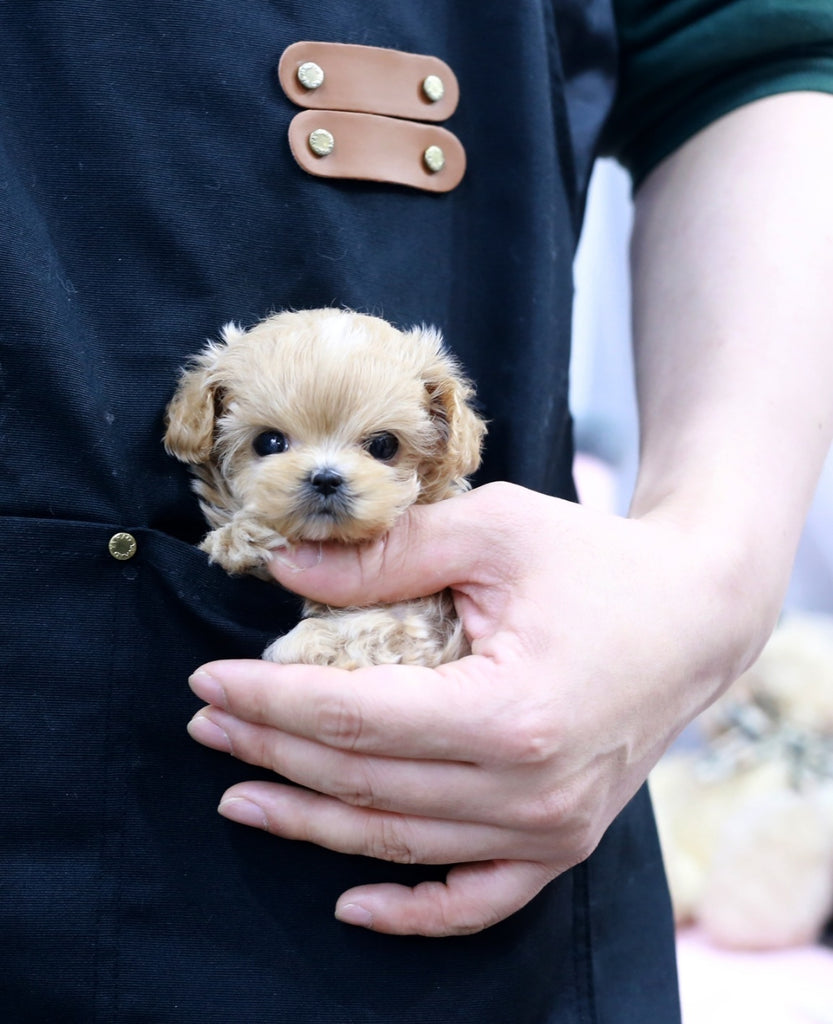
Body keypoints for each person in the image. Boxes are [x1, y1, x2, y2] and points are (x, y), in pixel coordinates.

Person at [2, 2, 833, 1022]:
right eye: (272, 443)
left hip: (469, 855)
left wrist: (715, 574)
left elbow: (757, 48)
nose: (322, 474)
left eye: (380, 445)